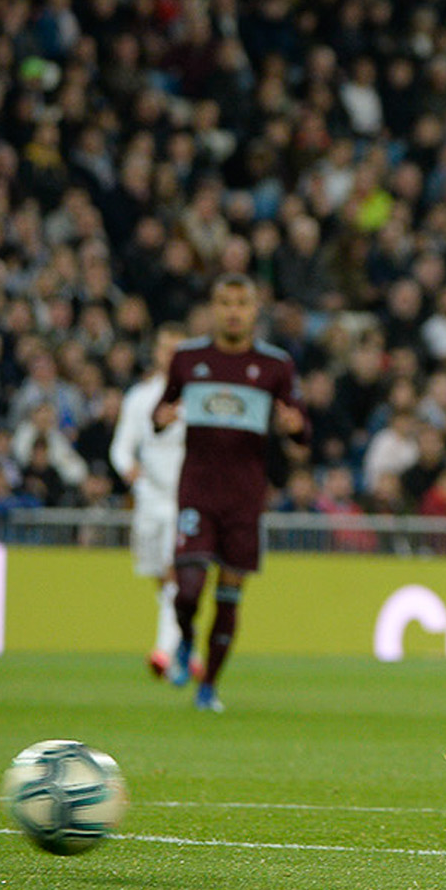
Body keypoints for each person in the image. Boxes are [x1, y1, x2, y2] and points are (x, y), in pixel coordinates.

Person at [153, 277, 308, 712]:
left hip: (244, 501)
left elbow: (302, 431)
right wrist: (162, 418)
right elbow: (159, 412)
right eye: (225, 302)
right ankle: (185, 641)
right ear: (213, 307)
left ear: (255, 309)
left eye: (242, 303)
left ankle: (209, 687)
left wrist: (294, 430)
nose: (233, 311)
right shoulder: (188, 359)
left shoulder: (275, 366)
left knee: (228, 595)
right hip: (197, 493)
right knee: (188, 588)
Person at [110, 324, 189, 680]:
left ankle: (163, 652)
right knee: (160, 578)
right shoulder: (140, 398)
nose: (171, 356)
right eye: (165, 348)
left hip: (185, 501)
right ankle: (186, 646)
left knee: (175, 574)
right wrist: (134, 476)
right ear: (156, 352)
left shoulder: (197, 399)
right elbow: (121, 449)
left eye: (178, 350)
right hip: (149, 500)